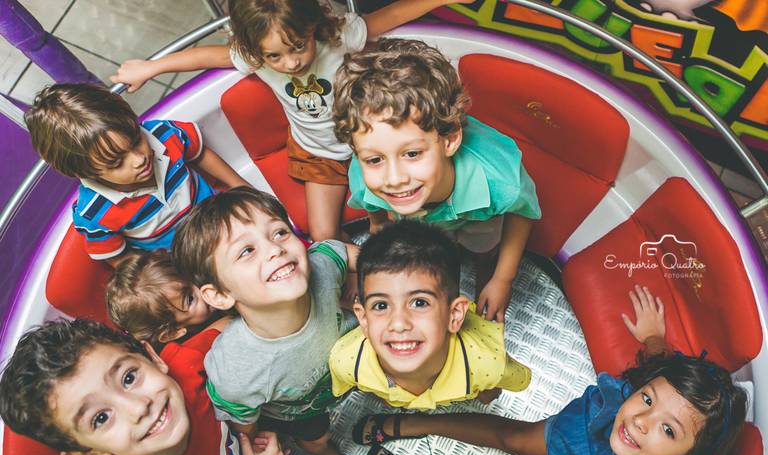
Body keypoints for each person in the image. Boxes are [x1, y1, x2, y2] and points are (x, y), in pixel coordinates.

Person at [354, 286, 746, 455]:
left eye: (667, 428)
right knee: (513, 436)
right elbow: (664, 372)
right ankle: (415, 423)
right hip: (593, 432)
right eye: (646, 400)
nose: (641, 419)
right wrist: (653, 337)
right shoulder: (634, 414)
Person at [110, 0, 473, 243]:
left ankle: (386, 232)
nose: (290, 63)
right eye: (275, 56)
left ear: (312, 27)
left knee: (397, 214)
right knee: (322, 235)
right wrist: (152, 67)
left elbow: (389, 17)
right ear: (255, 50)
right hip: (319, 154)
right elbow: (207, 55)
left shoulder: (338, 38)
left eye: (298, 46)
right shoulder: (254, 57)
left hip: (371, 145)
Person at [0, 319, 339, 455]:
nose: (138, 407)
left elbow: (230, 327)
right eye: (101, 418)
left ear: (153, 357)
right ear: (88, 452)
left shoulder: (185, 366)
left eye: (129, 377)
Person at [333, 38, 542, 322]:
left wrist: (503, 279)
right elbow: (372, 207)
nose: (394, 179)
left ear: (450, 140)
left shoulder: (499, 182)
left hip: (478, 215)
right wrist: (380, 227)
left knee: (484, 248)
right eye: (374, 159)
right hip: (420, 222)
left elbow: (522, 213)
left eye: (412, 153)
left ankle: (485, 273)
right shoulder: (365, 176)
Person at [172, 187, 363, 455]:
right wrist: (257, 443)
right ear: (220, 295)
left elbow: (338, 250)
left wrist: (382, 274)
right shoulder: (237, 371)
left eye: (279, 233)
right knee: (316, 435)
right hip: (301, 410)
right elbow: (243, 423)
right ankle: (325, 454)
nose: (275, 249)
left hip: (350, 363)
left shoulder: (320, 267)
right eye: (247, 251)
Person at [23, 83, 250, 264]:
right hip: (186, 261)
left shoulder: (163, 134)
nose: (139, 158)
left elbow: (199, 154)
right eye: (117, 162)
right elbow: (117, 258)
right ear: (83, 171)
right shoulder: (94, 213)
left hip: (222, 217)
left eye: (136, 140)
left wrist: (240, 186)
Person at [329, 220, 531, 413]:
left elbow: (501, 386)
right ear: (363, 319)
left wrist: (487, 390)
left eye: (419, 303)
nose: (398, 324)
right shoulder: (347, 363)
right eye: (381, 305)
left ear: (454, 315)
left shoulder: (489, 363)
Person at [106, 250, 220, 344]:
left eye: (191, 275)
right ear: (173, 332)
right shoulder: (197, 350)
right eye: (190, 299)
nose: (202, 287)